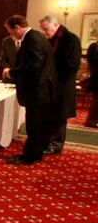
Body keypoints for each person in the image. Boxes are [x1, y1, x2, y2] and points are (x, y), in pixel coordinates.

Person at [2, 15, 54, 165]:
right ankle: (35, 153)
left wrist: (12, 72)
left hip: (36, 89)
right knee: (37, 124)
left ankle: (29, 156)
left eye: (10, 30)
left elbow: (33, 66)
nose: (10, 34)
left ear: (17, 27)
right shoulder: (38, 36)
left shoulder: (32, 39)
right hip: (41, 89)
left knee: (34, 125)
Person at [38, 14, 81, 155]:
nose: (45, 33)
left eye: (46, 29)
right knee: (49, 114)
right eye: (43, 30)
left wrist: (54, 75)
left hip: (63, 85)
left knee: (59, 116)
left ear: (55, 25)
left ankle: (56, 144)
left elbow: (73, 65)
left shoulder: (70, 39)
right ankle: (46, 141)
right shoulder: (52, 40)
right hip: (50, 85)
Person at [87, 42, 98, 128]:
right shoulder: (93, 46)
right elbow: (90, 59)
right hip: (96, 76)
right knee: (96, 100)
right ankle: (91, 121)